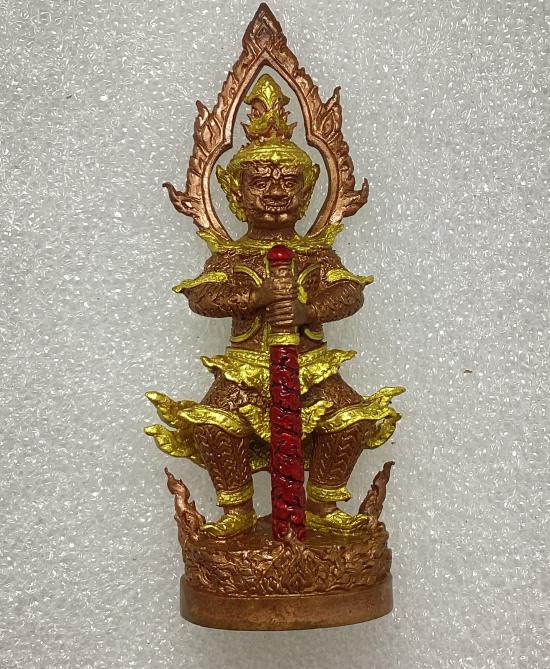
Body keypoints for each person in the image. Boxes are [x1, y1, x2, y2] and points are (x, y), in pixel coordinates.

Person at [146, 74, 403, 537]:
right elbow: (203, 298)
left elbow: (349, 294)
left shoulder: (316, 254)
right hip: (245, 370)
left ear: (307, 192)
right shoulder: (231, 257)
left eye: (288, 182)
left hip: (311, 368)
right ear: (234, 193)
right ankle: (238, 511)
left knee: (350, 420)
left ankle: (323, 503)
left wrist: (309, 311)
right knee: (214, 426)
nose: (275, 192)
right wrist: (255, 297)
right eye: (260, 182)